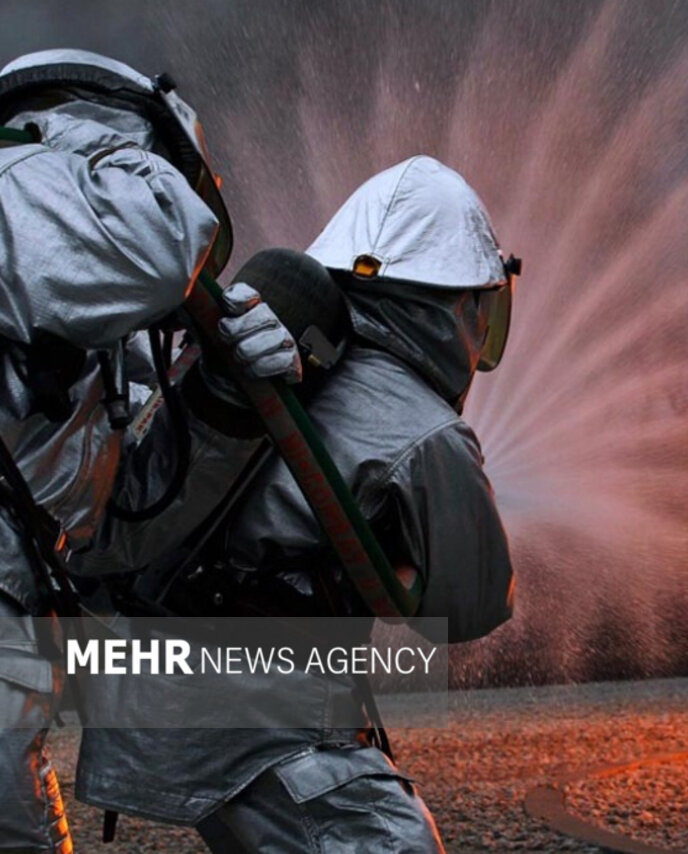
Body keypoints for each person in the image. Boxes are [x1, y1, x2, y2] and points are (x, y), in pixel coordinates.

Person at [76, 156, 518, 853]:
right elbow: (471, 607)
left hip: (158, 689)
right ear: (457, 307)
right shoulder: (428, 432)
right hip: (262, 717)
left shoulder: (270, 355)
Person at [0, 49, 300, 853]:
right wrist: (120, 141)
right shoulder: (18, 181)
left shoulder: (58, 279)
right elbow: (168, 242)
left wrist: (224, 404)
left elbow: (108, 532)